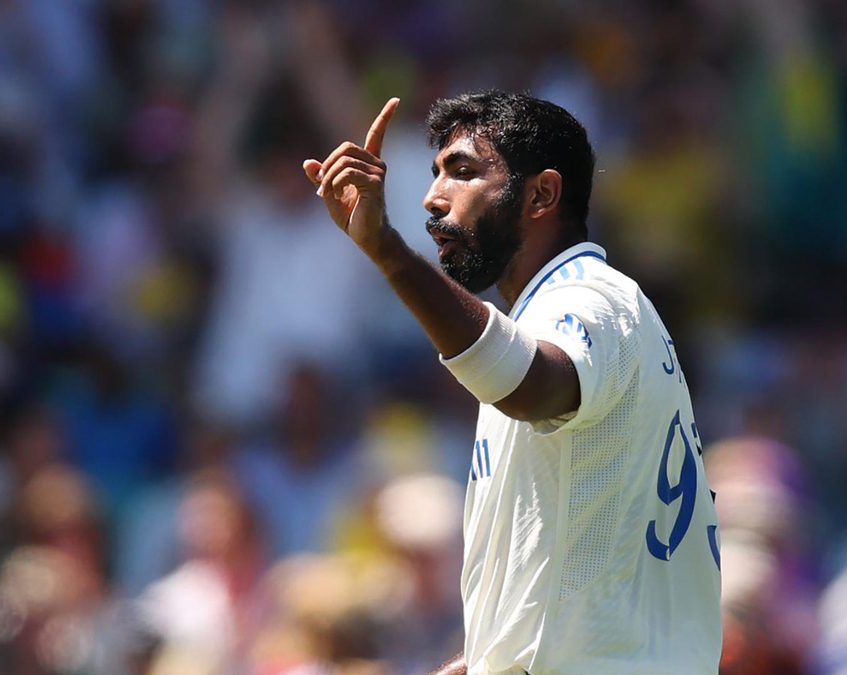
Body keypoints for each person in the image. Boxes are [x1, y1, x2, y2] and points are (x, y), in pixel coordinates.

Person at [303, 91, 722, 674]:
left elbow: (533, 386)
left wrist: (389, 252)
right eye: (434, 174)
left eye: (463, 172)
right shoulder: (569, 309)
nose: (431, 198)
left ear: (542, 194)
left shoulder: (590, 295)